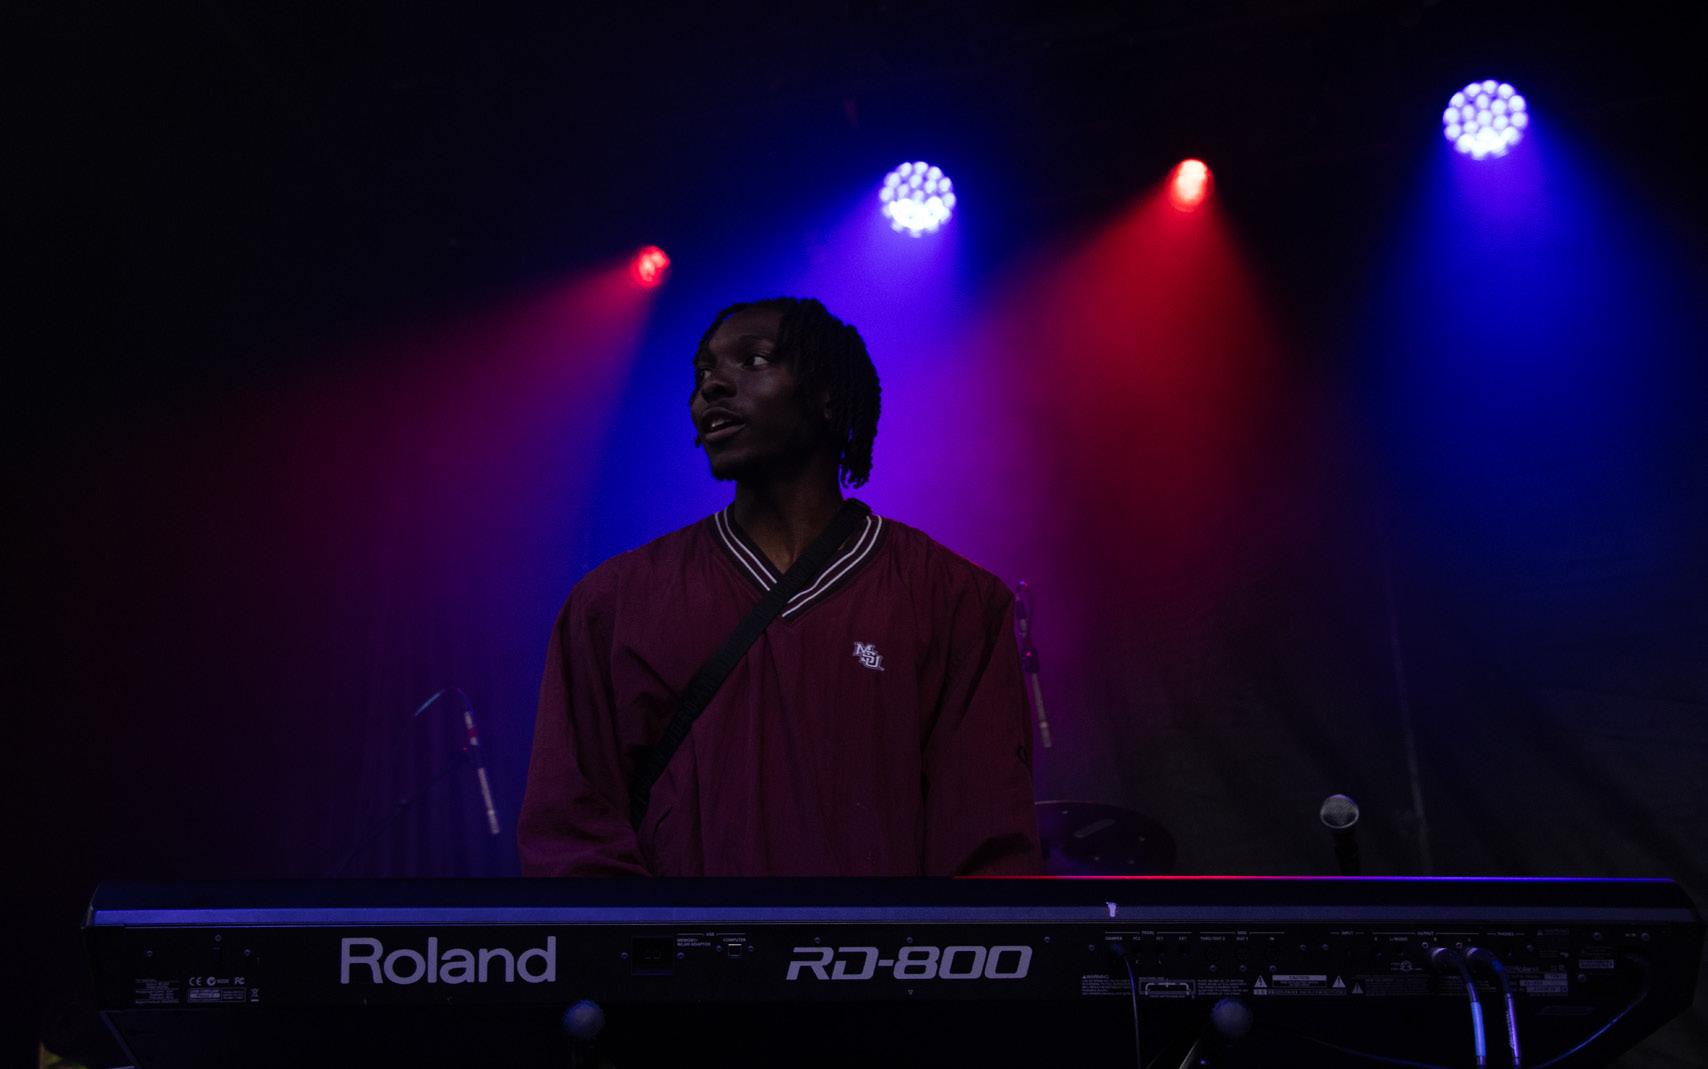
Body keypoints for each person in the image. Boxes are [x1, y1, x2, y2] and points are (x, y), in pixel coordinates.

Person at [518, 297, 1040, 876]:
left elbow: (987, 846)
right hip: (688, 939)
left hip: (877, 940)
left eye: (755, 360)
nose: (712, 386)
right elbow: (573, 836)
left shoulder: (957, 601)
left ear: (828, 395)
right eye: (703, 372)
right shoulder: (613, 603)